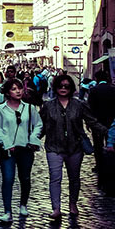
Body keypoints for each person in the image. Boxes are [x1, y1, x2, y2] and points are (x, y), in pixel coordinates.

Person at [39, 74, 108, 219]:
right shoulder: (48, 105)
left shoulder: (79, 105)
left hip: (75, 147)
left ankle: (73, 204)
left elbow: (92, 122)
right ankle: (56, 208)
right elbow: (41, 126)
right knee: (55, 178)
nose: (63, 89)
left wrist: (108, 132)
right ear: (55, 87)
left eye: (66, 86)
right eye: (60, 86)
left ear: (71, 88)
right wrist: (30, 140)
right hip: (54, 146)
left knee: (74, 178)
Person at [0, 78, 42, 224]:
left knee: (25, 178)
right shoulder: (0, 110)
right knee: (8, 179)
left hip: (25, 148)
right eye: (14, 89)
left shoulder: (30, 108)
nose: (18, 91)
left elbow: (38, 125)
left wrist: (33, 138)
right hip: (7, 150)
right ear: (7, 92)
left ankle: (23, 204)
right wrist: (7, 143)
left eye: (19, 88)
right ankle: (7, 211)